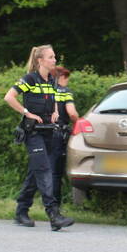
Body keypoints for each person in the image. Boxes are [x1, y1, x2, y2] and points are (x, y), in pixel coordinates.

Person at [4, 45, 75, 231]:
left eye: (54, 57)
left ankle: (21, 211)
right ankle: (53, 215)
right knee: (44, 170)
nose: (54, 60)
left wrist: (54, 112)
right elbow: (9, 97)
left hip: (49, 131)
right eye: (51, 57)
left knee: (36, 172)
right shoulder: (30, 79)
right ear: (40, 60)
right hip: (33, 132)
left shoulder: (52, 80)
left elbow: (53, 100)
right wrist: (26, 112)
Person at [51, 66, 79, 206]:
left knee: (43, 169)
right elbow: (72, 113)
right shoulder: (65, 92)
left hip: (44, 132)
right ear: (61, 77)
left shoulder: (46, 90)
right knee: (56, 173)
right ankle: (55, 206)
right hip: (59, 134)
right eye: (67, 78)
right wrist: (78, 124)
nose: (68, 81)